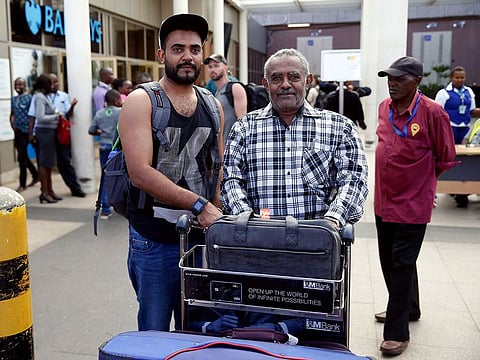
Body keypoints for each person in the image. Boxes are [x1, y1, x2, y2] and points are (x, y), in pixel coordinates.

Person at [118, 13, 224, 331]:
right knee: (154, 331)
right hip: (153, 241)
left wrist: (216, 209)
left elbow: (216, 164)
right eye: (178, 48)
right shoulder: (142, 101)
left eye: (194, 48)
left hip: (201, 240)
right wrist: (200, 205)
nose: (187, 56)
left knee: (200, 331)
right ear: (162, 55)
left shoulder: (212, 105)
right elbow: (139, 172)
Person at [222, 48, 368, 225]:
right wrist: (247, 221)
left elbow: (354, 180)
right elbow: (231, 180)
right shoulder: (244, 129)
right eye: (276, 78)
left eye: (293, 77)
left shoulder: (339, 128)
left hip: (318, 243)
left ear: (307, 81)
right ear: (266, 84)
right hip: (259, 242)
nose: (285, 85)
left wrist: (332, 221)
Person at [374, 56, 457, 356]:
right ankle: (409, 307)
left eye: (399, 78)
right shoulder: (384, 107)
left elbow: (446, 158)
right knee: (389, 260)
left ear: (417, 81)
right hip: (384, 201)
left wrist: (423, 183)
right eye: (389, 78)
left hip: (412, 204)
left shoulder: (433, 112)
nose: (392, 83)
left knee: (402, 263)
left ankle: (397, 331)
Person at [434, 66, 480, 207]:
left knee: (464, 158)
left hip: (464, 128)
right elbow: (436, 111)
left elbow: (472, 110)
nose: (460, 80)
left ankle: (460, 188)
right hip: (449, 128)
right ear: (451, 78)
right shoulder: (444, 93)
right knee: (446, 156)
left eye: (462, 77)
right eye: (457, 77)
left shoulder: (468, 92)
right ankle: (442, 184)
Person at [46, 73, 86, 198]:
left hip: (62, 133)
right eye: (52, 82)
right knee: (47, 164)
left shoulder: (63, 96)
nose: (54, 84)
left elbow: (68, 115)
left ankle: (75, 188)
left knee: (64, 162)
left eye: (56, 81)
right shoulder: (43, 97)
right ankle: (47, 191)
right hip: (48, 132)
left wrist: (72, 106)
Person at [89, 89, 123, 219]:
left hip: (103, 146)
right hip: (116, 148)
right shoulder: (120, 112)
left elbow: (91, 130)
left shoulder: (99, 114)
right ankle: (120, 204)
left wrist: (103, 132)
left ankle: (105, 208)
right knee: (119, 175)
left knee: (105, 175)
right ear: (116, 100)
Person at [32, 74, 62, 204]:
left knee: (49, 163)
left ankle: (50, 190)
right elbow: (40, 117)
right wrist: (56, 116)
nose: (52, 86)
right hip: (44, 133)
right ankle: (44, 192)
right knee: (44, 163)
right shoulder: (39, 97)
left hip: (49, 133)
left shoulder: (44, 97)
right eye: (50, 84)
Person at [204, 53, 247, 142]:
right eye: (210, 67)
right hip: (219, 148)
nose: (212, 69)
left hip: (233, 146)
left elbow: (242, 123)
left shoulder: (235, 87)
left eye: (216, 66)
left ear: (225, 67)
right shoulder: (215, 93)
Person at [10, 77, 39, 192]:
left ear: (25, 86)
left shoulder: (29, 98)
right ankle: (35, 175)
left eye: (20, 85)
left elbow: (32, 115)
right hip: (18, 132)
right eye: (16, 85)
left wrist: (32, 132)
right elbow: (12, 114)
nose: (18, 87)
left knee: (21, 158)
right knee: (22, 156)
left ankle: (22, 184)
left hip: (27, 131)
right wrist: (12, 124)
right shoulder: (13, 99)